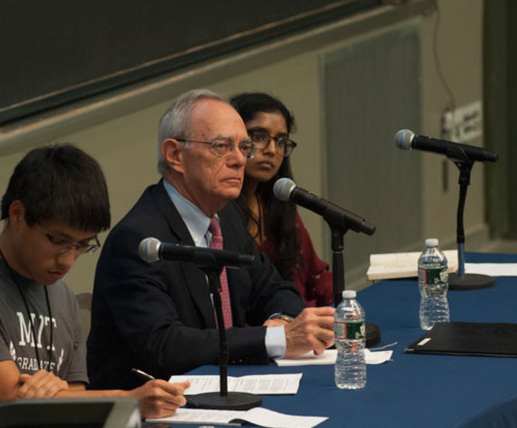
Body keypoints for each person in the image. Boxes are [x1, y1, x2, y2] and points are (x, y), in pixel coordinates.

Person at [87, 89, 335, 390]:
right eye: (222, 147)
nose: (239, 160)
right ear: (175, 154)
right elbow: (166, 344)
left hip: (226, 391)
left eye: (244, 147)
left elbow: (271, 286)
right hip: (156, 415)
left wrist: (283, 320)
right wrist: (275, 339)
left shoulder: (226, 217)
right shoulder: (139, 239)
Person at [0, 144, 188, 419]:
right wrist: (129, 400)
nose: (68, 261)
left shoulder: (61, 295)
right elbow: (10, 399)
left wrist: (58, 392)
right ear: (17, 214)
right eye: (59, 241)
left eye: (82, 245)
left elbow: (73, 403)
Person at [230, 92, 334, 308]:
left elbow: (315, 274)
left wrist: (344, 303)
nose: (271, 150)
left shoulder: (276, 201)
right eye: (258, 137)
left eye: (280, 141)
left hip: (301, 320)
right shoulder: (220, 213)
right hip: (264, 333)